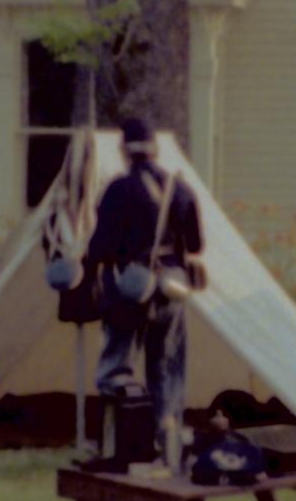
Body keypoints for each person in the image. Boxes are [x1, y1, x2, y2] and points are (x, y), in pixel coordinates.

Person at [83, 116, 206, 466]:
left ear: (125, 151)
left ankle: (115, 446)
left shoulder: (118, 189)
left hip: (130, 285)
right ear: (155, 151)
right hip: (172, 289)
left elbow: (101, 248)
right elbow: (195, 244)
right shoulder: (181, 189)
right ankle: (166, 447)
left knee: (116, 369)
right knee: (166, 369)